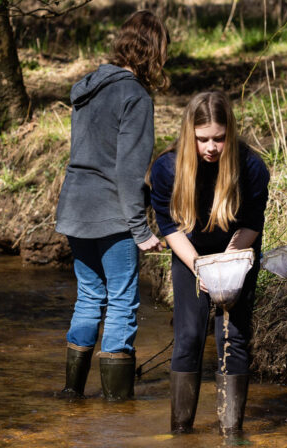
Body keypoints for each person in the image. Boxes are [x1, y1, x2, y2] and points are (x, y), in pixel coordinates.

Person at [55, 10, 168, 401]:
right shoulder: (135, 96)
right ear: (155, 52)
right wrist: (141, 231)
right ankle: (117, 407)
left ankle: (72, 391)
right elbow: (128, 172)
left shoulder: (87, 89)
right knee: (122, 301)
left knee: (89, 297)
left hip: (74, 207)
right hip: (111, 212)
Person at [150, 90, 270, 436]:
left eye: (219, 138)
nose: (211, 147)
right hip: (190, 251)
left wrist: (227, 267)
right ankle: (180, 431)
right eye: (202, 139)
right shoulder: (166, 167)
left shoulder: (250, 166)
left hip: (237, 251)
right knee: (188, 336)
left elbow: (252, 224)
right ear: (190, 135)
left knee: (232, 336)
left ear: (230, 134)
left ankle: (232, 433)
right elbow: (169, 227)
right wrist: (200, 266)